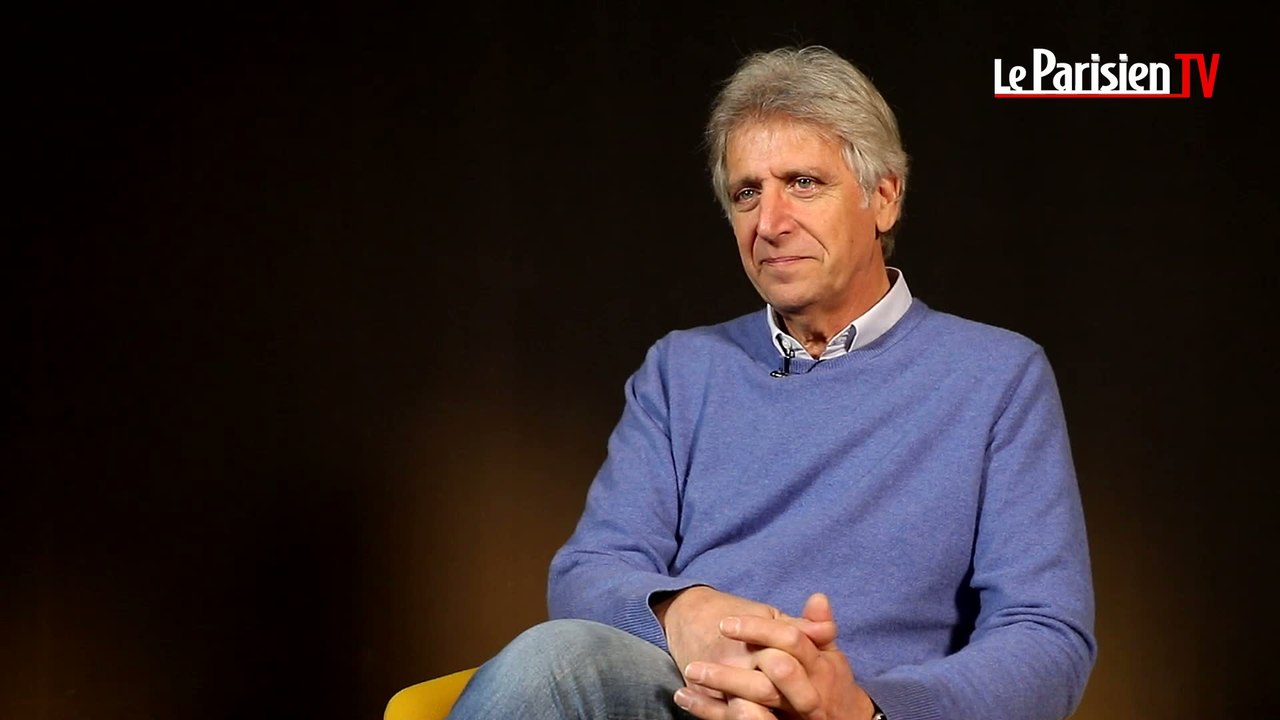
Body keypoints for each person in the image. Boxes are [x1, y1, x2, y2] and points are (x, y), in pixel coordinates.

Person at [446, 45, 1096, 720]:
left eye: (803, 183)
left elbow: (1046, 635)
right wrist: (685, 612)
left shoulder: (997, 377)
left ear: (883, 197)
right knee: (553, 664)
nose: (770, 223)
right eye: (747, 193)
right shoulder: (681, 370)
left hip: (860, 714)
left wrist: (863, 708)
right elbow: (588, 569)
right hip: (688, 699)